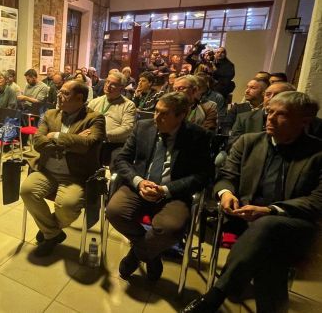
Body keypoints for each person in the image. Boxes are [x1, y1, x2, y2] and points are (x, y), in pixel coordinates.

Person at [181, 91, 322, 313]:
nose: (271, 118)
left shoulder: (318, 154)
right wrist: (226, 194)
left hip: (294, 225)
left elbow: (317, 200)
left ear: (304, 122)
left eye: (281, 114)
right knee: (271, 259)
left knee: (267, 225)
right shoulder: (248, 143)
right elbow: (226, 176)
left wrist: (269, 210)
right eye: (270, 111)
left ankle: (215, 297)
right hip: (242, 217)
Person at [107, 92, 213, 281]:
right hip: (139, 186)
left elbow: (203, 175)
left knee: (171, 228)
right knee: (115, 212)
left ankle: (136, 255)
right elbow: (121, 159)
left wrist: (165, 189)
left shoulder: (197, 136)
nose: (156, 117)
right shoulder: (143, 127)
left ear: (181, 116)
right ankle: (152, 254)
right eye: (156, 111)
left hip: (173, 193)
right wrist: (138, 181)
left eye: (164, 114)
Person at [20, 80, 106, 257]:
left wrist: (56, 135)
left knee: (68, 205)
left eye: (65, 93)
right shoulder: (51, 114)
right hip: (47, 171)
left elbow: (88, 144)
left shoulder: (95, 118)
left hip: (75, 175)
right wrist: (71, 141)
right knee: (27, 191)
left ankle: (49, 230)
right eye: (60, 91)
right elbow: (37, 142)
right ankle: (53, 234)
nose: (59, 95)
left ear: (80, 97)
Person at [228, 82, 296, 146]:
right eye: (268, 94)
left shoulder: (293, 120)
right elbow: (232, 145)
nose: (271, 98)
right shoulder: (244, 118)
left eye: (277, 95)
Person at [89, 71, 136, 144]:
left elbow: (127, 128)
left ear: (121, 88)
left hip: (112, 143)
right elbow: (84, 121)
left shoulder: (128, 105)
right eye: (107, 82)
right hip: (91, 140)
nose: (108, 85)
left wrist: (104, 135)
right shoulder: (94, 102)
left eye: (113, 84)